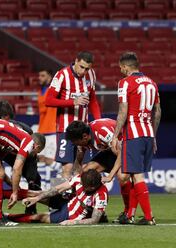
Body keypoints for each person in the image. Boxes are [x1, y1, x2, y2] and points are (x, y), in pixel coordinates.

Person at [111, 52, 161, 225]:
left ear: (125, 67)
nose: (120, 71)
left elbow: (123, 111)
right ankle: (130, 215)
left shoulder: (125, 83)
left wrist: (116, 134)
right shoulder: (152, 83)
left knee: (137, 176)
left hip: (133, 134)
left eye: (120, 68)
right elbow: (158, 112)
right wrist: (153, 135)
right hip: (148, 133)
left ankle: (149, 217)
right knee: (133, 175)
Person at [45, 51, 101, 179]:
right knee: (67, 167)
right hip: (66, 129)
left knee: (83, 166)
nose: (84, 71)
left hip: (84, 130)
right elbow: (48, 100)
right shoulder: (62, 75)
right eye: (82, 67)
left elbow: (93, 100)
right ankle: (61, 198)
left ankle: (79, 197)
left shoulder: (91, 74)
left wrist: (98, 121)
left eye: (87, 68)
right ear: (76, 61)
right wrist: (73, 102)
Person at [65, 119, 131, 222]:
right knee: (86, 173)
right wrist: (75, 177)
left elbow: (121, 153)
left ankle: (128, 212)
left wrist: (110, 176)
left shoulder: (102, 133)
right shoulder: (82, 138)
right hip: (110, 151)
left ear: (85, 137)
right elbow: (79, 159)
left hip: (126, 149)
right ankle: (90, 209)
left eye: (75, 141)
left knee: (122, 177)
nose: (74, 144)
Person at [7, 169, 108, 225]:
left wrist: (73, 222)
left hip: (71, 215)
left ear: (93, 187)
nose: (81, 185)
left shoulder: (101, 195)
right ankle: (2, 194)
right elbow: (58, 189)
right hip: (68, 200)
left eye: (84, 186)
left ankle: (7, 216)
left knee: (39, 217)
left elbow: (94, 220)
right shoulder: (80, 178)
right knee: (35, 193)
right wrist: (37, 199)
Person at [37, 69, 57, 166]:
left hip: (52, 130)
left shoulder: (55, 90)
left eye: (43, 75)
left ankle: (58, 180)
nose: (39, 78)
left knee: (50, 160)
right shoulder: (40, 90)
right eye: (39, 75)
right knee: (40, 159)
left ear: (50, 77)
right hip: (42, 130)